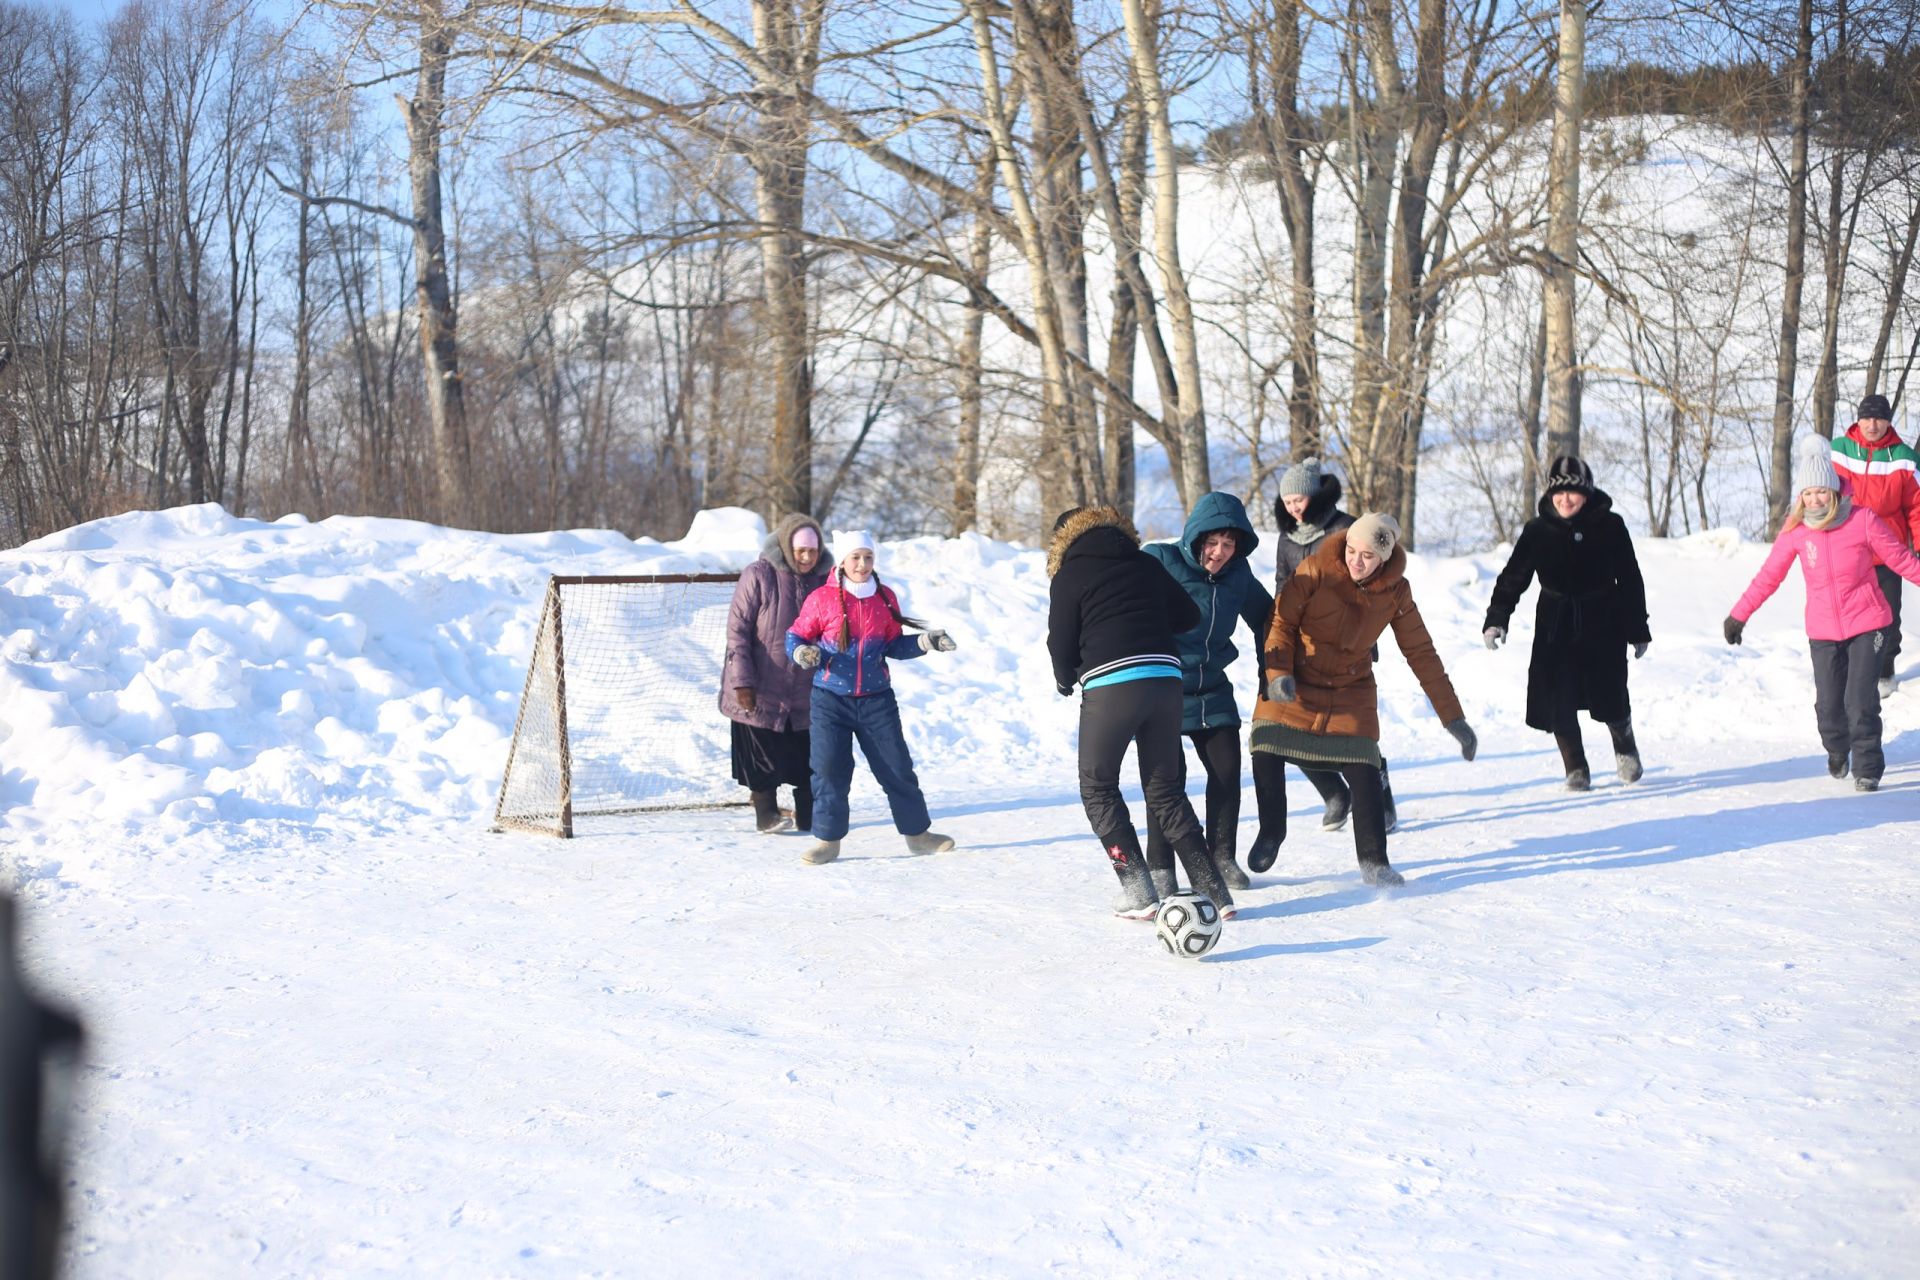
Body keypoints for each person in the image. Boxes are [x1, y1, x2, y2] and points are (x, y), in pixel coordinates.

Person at [1252, 513, 1478, 887]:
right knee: (1266, 745)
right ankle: (1272, 831)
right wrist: (1278, 674)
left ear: (1384, 559)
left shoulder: (1396, 592)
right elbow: (1281, 623)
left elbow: (1421, 652)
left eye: (1368, 556)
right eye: (1353, 550)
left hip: (1350, 686)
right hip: (1296, 678)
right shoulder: (1316, 568)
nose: (1357, 561)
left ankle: (1375, 862)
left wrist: (1453, 718)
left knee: (1364, 766)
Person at [1047, 506, 1237, 919]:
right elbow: (1188, 615)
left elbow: (1060, 642)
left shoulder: (1069, 574)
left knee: (1098, 787)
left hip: (1112, 685)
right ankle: (1215, 893)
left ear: (1062, 541)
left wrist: (1065, 679)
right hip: (1166, 680)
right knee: (1165, 788)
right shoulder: (1145, 563)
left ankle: (1138, 891)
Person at [1725, 434, 1920, 791]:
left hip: (1869, 623)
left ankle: (1868, 767)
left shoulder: (1862, 520)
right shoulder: (1797, 532)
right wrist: (1740, 615)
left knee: (1859, 700)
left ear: (1834, 491)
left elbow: (1901, 560)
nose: (1815, 499)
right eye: (1808, 493)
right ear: (1801, 497)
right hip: (1824, 630)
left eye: (1821, 492)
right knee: (1829, 708)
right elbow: (1769, 577)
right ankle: (1836, 748)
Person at [1481, 455, 1652, 791]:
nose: (1565, 499)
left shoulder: (1611, 526)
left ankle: (1625, 744)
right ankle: (1575, 767)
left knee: (1610, 694)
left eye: (1573, 492)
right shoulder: (1537, 530)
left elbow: (1630, 579)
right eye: (1559, 493)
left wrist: (1637, 629)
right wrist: (1497, 618)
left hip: (1603, 621)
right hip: (1555, 625)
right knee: (1557, 697)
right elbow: (1513, 577)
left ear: (1586, 493)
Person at [785, 530, 957, 863]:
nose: (862, 564)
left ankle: (918, 836)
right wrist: (802, 652)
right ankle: (827, 841)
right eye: (855, 558)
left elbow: (893, 645)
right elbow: (795, 635)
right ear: (842, 561)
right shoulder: (822, 599)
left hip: (876, 700)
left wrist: (925, 642)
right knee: (829, 769)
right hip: (830, 699)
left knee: (897, 767)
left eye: (868, 558)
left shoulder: (885, 598)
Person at [1140, 492, 1277, 893]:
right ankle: (1161, 867)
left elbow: (1268, 619)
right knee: (1167, 783)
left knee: (1226, 772)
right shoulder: (1160, 561)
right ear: (1196, 537)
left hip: (1213, 688)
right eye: (1212, 542)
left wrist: (1271, 671)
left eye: (1229, 544)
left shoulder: (1239, 577)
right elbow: (1122, 602)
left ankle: (1222, 855)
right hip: (1164, 688)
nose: (1219, 552)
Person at [1270, 457, 1399, 839]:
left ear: (1315, 494)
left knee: (1348, 729)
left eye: (1300, 499)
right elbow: (1281, 583)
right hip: (1303, 645)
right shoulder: (1286, 538)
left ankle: (1379, 794)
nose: (1294, 507)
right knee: (1293, 724)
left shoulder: (1346, 529)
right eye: (1288, 501)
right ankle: (1336, 794)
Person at [719, 512, 832, 833]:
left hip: (806, 686)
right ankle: (766, 813)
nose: (808, 558)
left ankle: (810, 815)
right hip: (761, 682)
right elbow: (737, 631)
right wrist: (743, 682)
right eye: (801, 551)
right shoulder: (759, 575)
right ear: (786, 547)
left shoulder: (826, 580)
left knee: (811, 754)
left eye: (813, 550)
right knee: (761, 752)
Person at [1829, 393, 1920, 698]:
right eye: (1867, 417)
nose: (1872, 424)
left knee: (1888, 616)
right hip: (1846, 552)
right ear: (1858, 419)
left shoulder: (1904, 457)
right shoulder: (1839, 450)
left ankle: (1884, 671)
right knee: (1845, 613)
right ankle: (1844, 669)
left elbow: (1917, 507)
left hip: (1887, 554)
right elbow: (1820, 495)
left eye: (1879, 418)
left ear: (1888, 421)